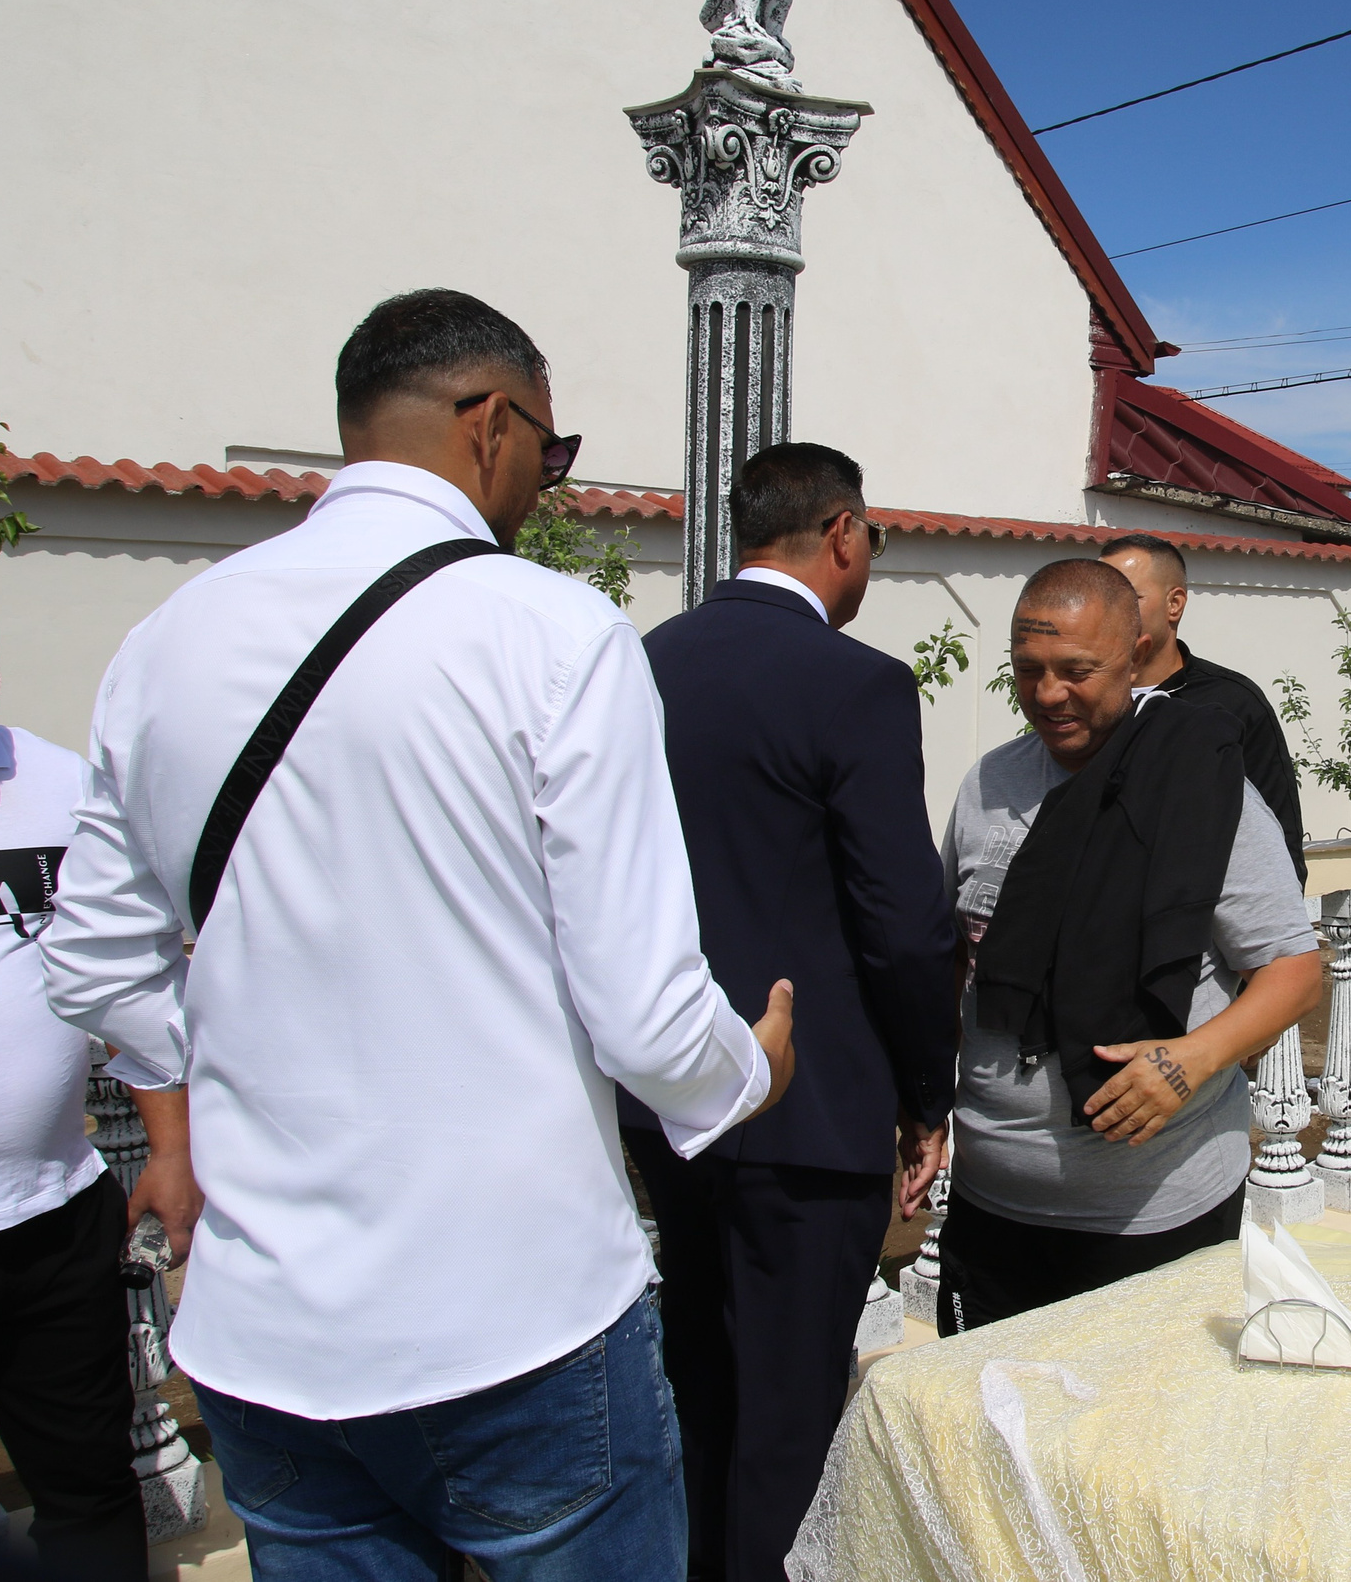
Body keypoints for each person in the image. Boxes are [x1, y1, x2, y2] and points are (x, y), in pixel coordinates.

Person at [39, 289, 796, 1581]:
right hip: (514, 1311)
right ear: (490, 422)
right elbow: (643, 1006)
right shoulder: (550, 630)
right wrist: (751, 1069)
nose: (548, 484)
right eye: (552, 452)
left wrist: (247, 1063)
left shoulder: (166, 638)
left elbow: (94, 959)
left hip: (264, 1325)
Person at [632, 443, 956, 1580]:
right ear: (843, 534)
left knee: (703, 1387)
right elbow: (903, 919)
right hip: (810, 1110)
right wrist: (926, 1097)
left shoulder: (646, 661)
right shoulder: (852, 683)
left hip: (671, 1093)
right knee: (790, 1415)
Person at [934, 560, 1323, 1331]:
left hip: (1156, 1213)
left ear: (1136, 652)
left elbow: (1293, 969)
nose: (1049, 695)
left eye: (1078, 671)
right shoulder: (988, 786)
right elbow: (953, 956)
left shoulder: (1205, 787)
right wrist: (920, 1109)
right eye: (1029, 671)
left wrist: (1193, 1062)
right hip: (993, 1208)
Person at [0, 536, 196, 1582]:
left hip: (49, 1223)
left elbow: (131, 975)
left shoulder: (54, 789)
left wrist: (168, 1148)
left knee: (88, 1499)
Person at [1097, 533, 1308, 881]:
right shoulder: (1084, 696)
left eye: (1125, 597)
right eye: (1100, 597)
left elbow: (1280, 842)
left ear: (1174, 604)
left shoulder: (1232, 703)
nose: (1106, 611)